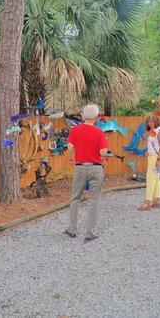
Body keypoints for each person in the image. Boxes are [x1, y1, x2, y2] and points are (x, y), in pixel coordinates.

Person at [64, 104, 108, 243]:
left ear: (84, 116)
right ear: (95, 117)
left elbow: (70, 148)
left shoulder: (75, 130)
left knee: (75, 198)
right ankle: (90, 232)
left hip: (80, 168)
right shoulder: (100, 132)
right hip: (96, 168)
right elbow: (103, 152)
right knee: (94, 200)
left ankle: (72, 230)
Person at [139, 114, 160, 210]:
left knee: (150, 178)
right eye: (148, 121)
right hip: (152, 157)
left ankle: (148, 202)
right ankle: (158, 200)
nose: (149, 122)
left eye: (151, 120)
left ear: (155, 121)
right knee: (156, 178)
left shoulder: (159, 131)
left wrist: (159, 159)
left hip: (155, 157)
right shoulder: (152, 131)